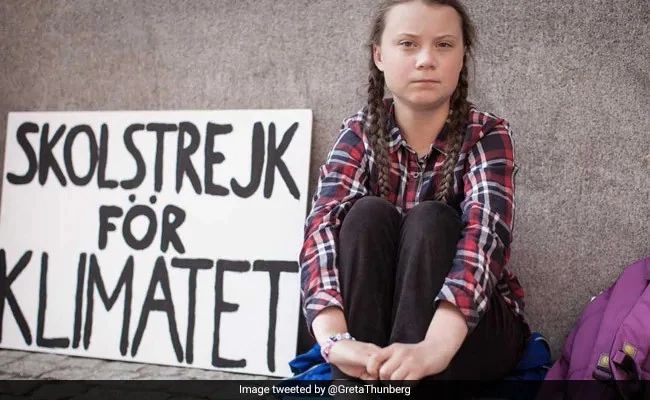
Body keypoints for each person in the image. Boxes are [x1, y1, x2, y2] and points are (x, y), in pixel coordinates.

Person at [299, 0, 531, 381]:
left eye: (443, 45)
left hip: (464, 333)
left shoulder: (487, 134)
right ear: (379, 55)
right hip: (374, 329)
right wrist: (335, 341)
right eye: (407, 44)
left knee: (431, 219)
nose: (426, 59)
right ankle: (359, 382)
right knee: (365, 215)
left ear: (462, 57)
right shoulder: (359, 132)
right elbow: (320, 231)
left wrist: (432, 350)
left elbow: (484, 239)